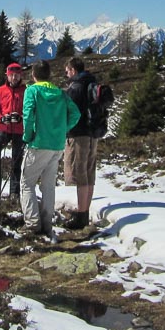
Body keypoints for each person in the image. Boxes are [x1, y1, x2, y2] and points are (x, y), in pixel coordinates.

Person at [20, 59, 80, 242]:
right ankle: (47, 224)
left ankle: (32, 223)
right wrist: (63, 129)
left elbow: (28, 115)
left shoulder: (32, 91)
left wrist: (27, 136)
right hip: (57, 144)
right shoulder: (60, 93)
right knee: (48, 185)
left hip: (38, 143)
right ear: (49, 74)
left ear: (33, 75)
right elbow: (76, 114)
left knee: (27, 183)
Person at [64, 56, 101, 229]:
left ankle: (81, 215)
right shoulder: (92, 83)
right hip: (93, 134)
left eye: (67, 71)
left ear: (73, 70)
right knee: (89, 172)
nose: (66, 74)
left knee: (80, 174)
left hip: (79, 135)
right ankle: (84, 211)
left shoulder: (76, 87)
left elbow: (69, 111)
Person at [0, 62, 26, 199]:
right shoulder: (0, 91)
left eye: (17, 75)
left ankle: (14, 191)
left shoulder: (26, 91)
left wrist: (21, 117)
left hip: (19, 129)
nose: (14, 78)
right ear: (7, 75)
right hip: (3, 128)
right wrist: (1, 118)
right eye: (12, 75)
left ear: (21, 75)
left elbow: (30, 110)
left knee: (17, 159)